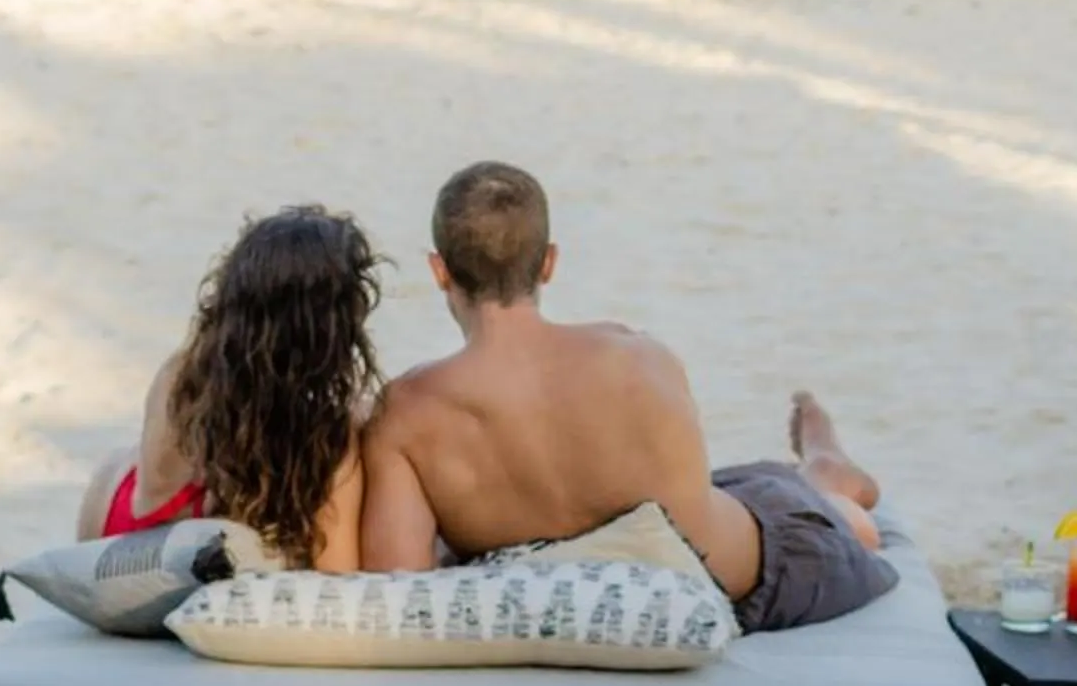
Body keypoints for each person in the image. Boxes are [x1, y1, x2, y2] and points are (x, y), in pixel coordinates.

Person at [359, 162, 897, 633]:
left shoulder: (404, 414)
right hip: (740, 564)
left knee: (850, 524)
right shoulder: (637, 357)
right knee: (769, 491)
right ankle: (818, 467)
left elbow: (400, 584)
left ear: (439, 270)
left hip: (762, 550)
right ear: (548, 262)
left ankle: (828, 467)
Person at [77, 205, 380, 571]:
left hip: (120, 526)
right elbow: (337, 572)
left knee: (119, 459)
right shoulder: (326, 432)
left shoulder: (181, 371)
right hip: (201, 557)